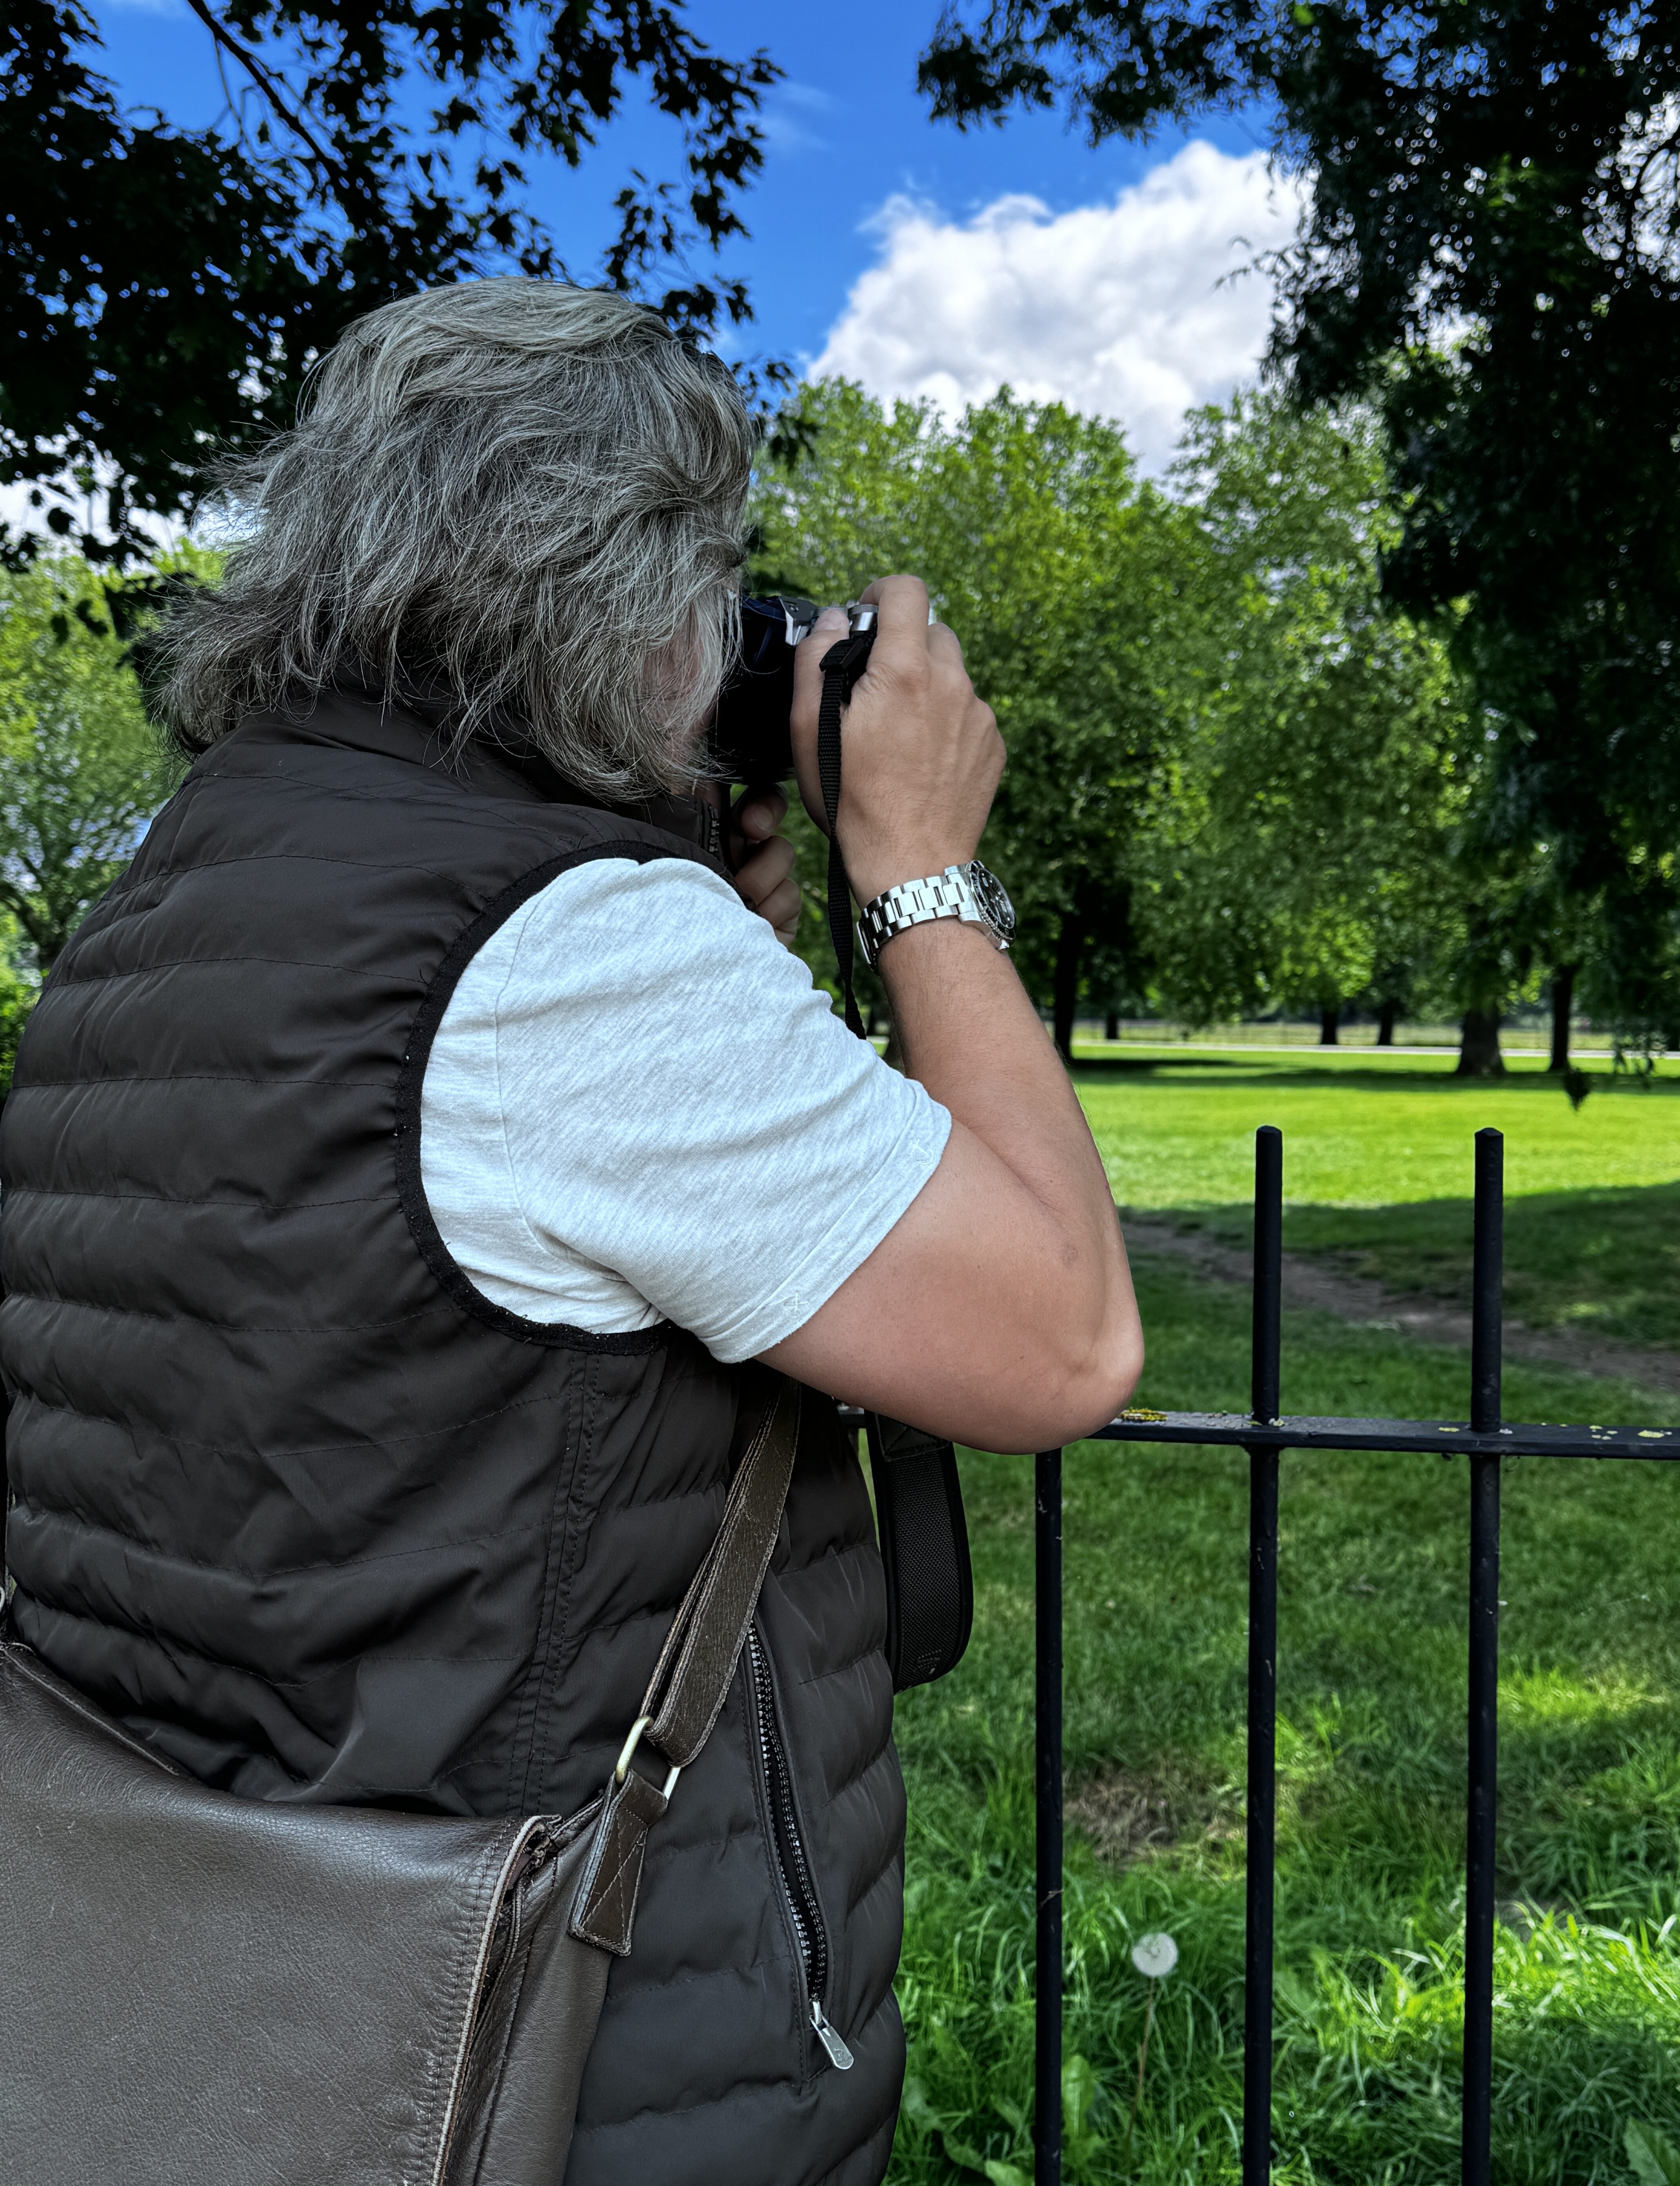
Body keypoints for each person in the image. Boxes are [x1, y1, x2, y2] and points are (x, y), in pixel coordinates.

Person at [0, 280, 1142, 2185]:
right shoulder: (563, 957)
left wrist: (715, 926)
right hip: (555, 2047)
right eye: (717, 572)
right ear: (620, 587)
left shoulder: (170, 893)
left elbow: (444, 1335)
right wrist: (920, 865)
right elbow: (1062, 1342)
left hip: (201, 1976)